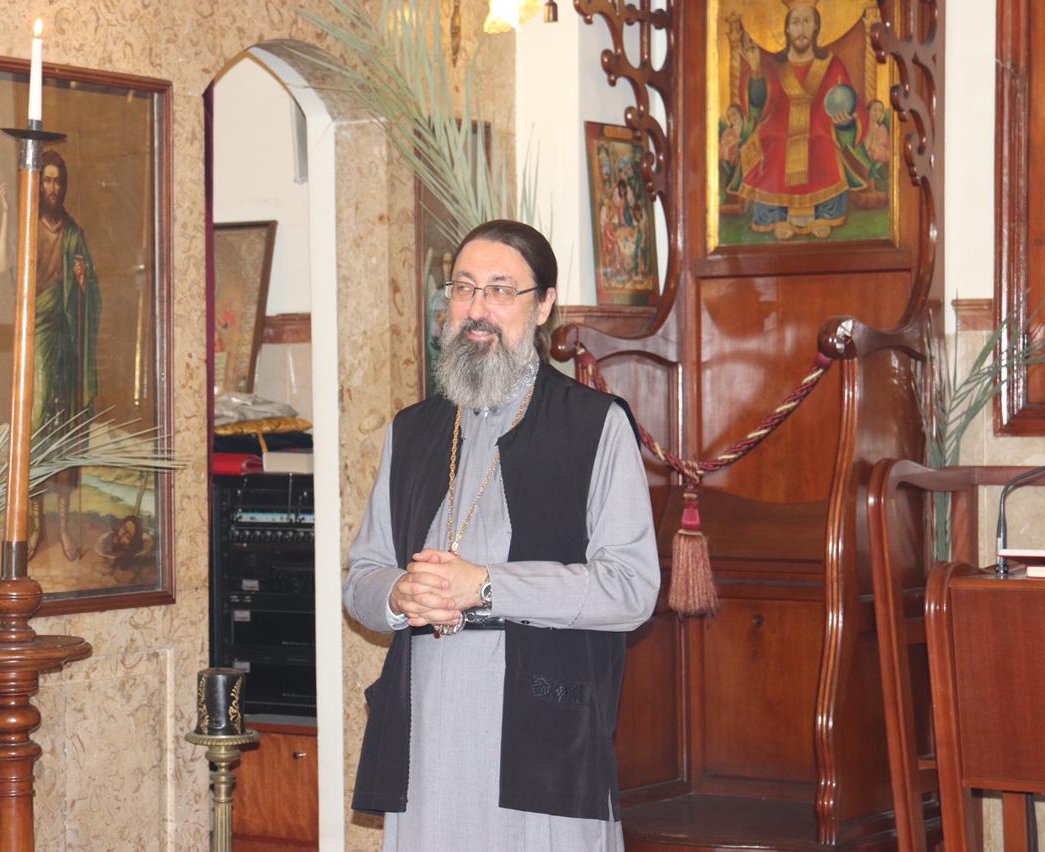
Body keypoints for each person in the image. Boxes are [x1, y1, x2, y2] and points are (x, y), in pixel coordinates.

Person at [344, 219, 660, 850]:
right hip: (428, 727)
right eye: (464, 289)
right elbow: (361, 579)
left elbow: (631, 589)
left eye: (500, 290)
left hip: (545, 732)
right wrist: (399, 594)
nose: (478, 309)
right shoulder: (412, 431)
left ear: (542, 306)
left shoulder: (595, 425)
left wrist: (485, 586)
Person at [0, 150, 102, 559]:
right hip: (37, 333)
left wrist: (82, 282)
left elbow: (92, 292)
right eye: (47, 180)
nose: (52, 188)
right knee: (37, 424)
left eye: (58, 180)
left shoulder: (74, 231)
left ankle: (64, 524)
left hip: (67, 336)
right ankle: (37, 524)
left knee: (66, 427)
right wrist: (6, 213)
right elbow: (5, 267)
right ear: (38, 185)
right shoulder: (28, 227)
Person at [734, 0, 867, 239]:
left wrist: (844, 122)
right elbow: (758, 106)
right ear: (786, 28)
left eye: (807, 21)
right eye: (795, 22)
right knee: (773, 142)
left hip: (819, 130)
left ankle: (825, 213)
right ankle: (775, 215)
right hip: (778, 131)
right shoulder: (773, 66)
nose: (801, 29)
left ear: (816, 26)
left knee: (822, 144)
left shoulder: (832, 64)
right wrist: (755, 70)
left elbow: (848, 103)